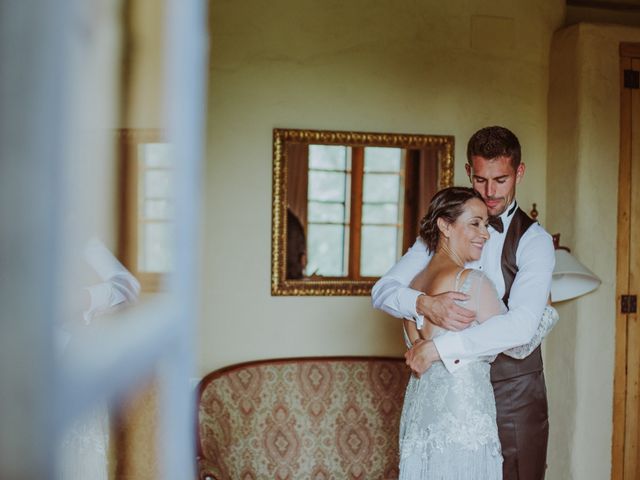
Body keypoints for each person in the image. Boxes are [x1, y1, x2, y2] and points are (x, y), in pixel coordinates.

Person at [372, 126, 556, 480]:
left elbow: (520, 327)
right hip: (449, 399)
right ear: (469, 172)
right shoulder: (439, 234)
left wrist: (438, 348)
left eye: (500, 180)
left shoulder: (535, 241)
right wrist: (425, 303)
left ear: (519, 172)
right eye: (482, 179)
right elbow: (383, 291)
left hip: (514, 394)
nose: (490, 192)